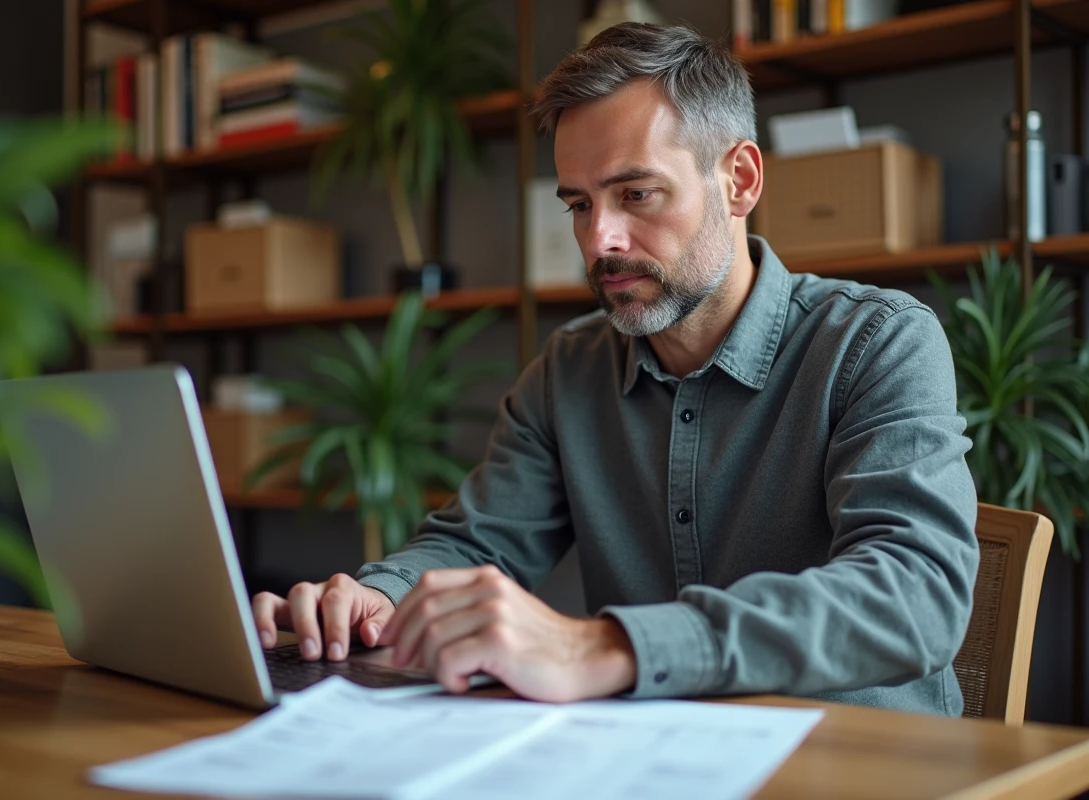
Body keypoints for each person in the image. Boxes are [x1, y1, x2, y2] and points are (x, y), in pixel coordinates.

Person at [252, 22, 979, 714]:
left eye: (636, 193)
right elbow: (479, 542)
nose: (600, 239)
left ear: (740, 180)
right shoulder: (568, 369)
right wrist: (384, 593)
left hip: (852, 758)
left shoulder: (878, 343)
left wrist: (606, 646)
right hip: (653, 756)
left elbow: (916, 594)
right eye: (578, 203)